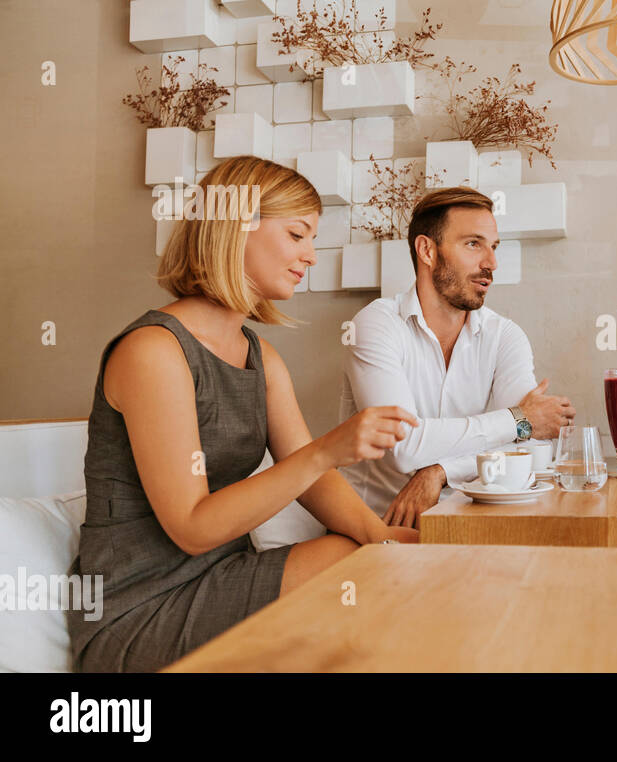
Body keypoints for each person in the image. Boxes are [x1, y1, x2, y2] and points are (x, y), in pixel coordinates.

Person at [68, 156, 418, 672]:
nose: (311, 256)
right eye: (297, 234)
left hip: (220, 580)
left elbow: (312, 478)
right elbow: (191, 526)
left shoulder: (259, 356)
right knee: (348, 565)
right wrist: (327, 450)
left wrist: (386, 538)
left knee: (358, 554)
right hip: (136, 610)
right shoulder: (153, 351)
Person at [339, 187, 575, 526]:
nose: (491, 263)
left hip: (472, 527)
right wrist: (516, 420)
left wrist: (441, 472)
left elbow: (526, 447)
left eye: (493, 247)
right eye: (473, 244)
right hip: (377, 528)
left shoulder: (505, 337)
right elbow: (405, 448)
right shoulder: (374, 325)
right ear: (427, 250)